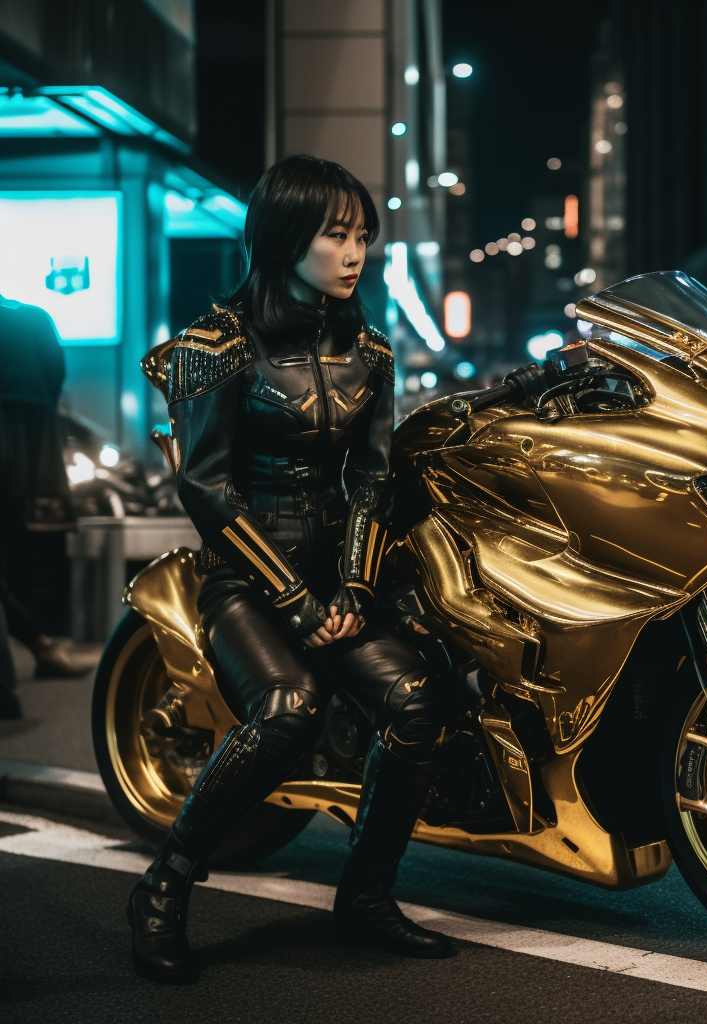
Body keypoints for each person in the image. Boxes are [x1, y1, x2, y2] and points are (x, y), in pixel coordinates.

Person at [127, 155, 455, 982]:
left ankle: (367, 898)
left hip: (336, 580)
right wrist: (296, 600)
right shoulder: (216, 345)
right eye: (336, 235)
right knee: (287, 708)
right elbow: (207, 488)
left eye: (363, 238)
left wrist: (352, 587)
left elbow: (372, 477)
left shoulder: (371, 353)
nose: (355, 254)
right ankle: (165, 884)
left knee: (418, 701)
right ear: (283, 238)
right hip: (244, 581)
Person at [0, 297, 95, 720]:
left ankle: (11, 684)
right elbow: (55, 376)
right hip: (29, 454)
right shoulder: (34, 317)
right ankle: (40, 648)